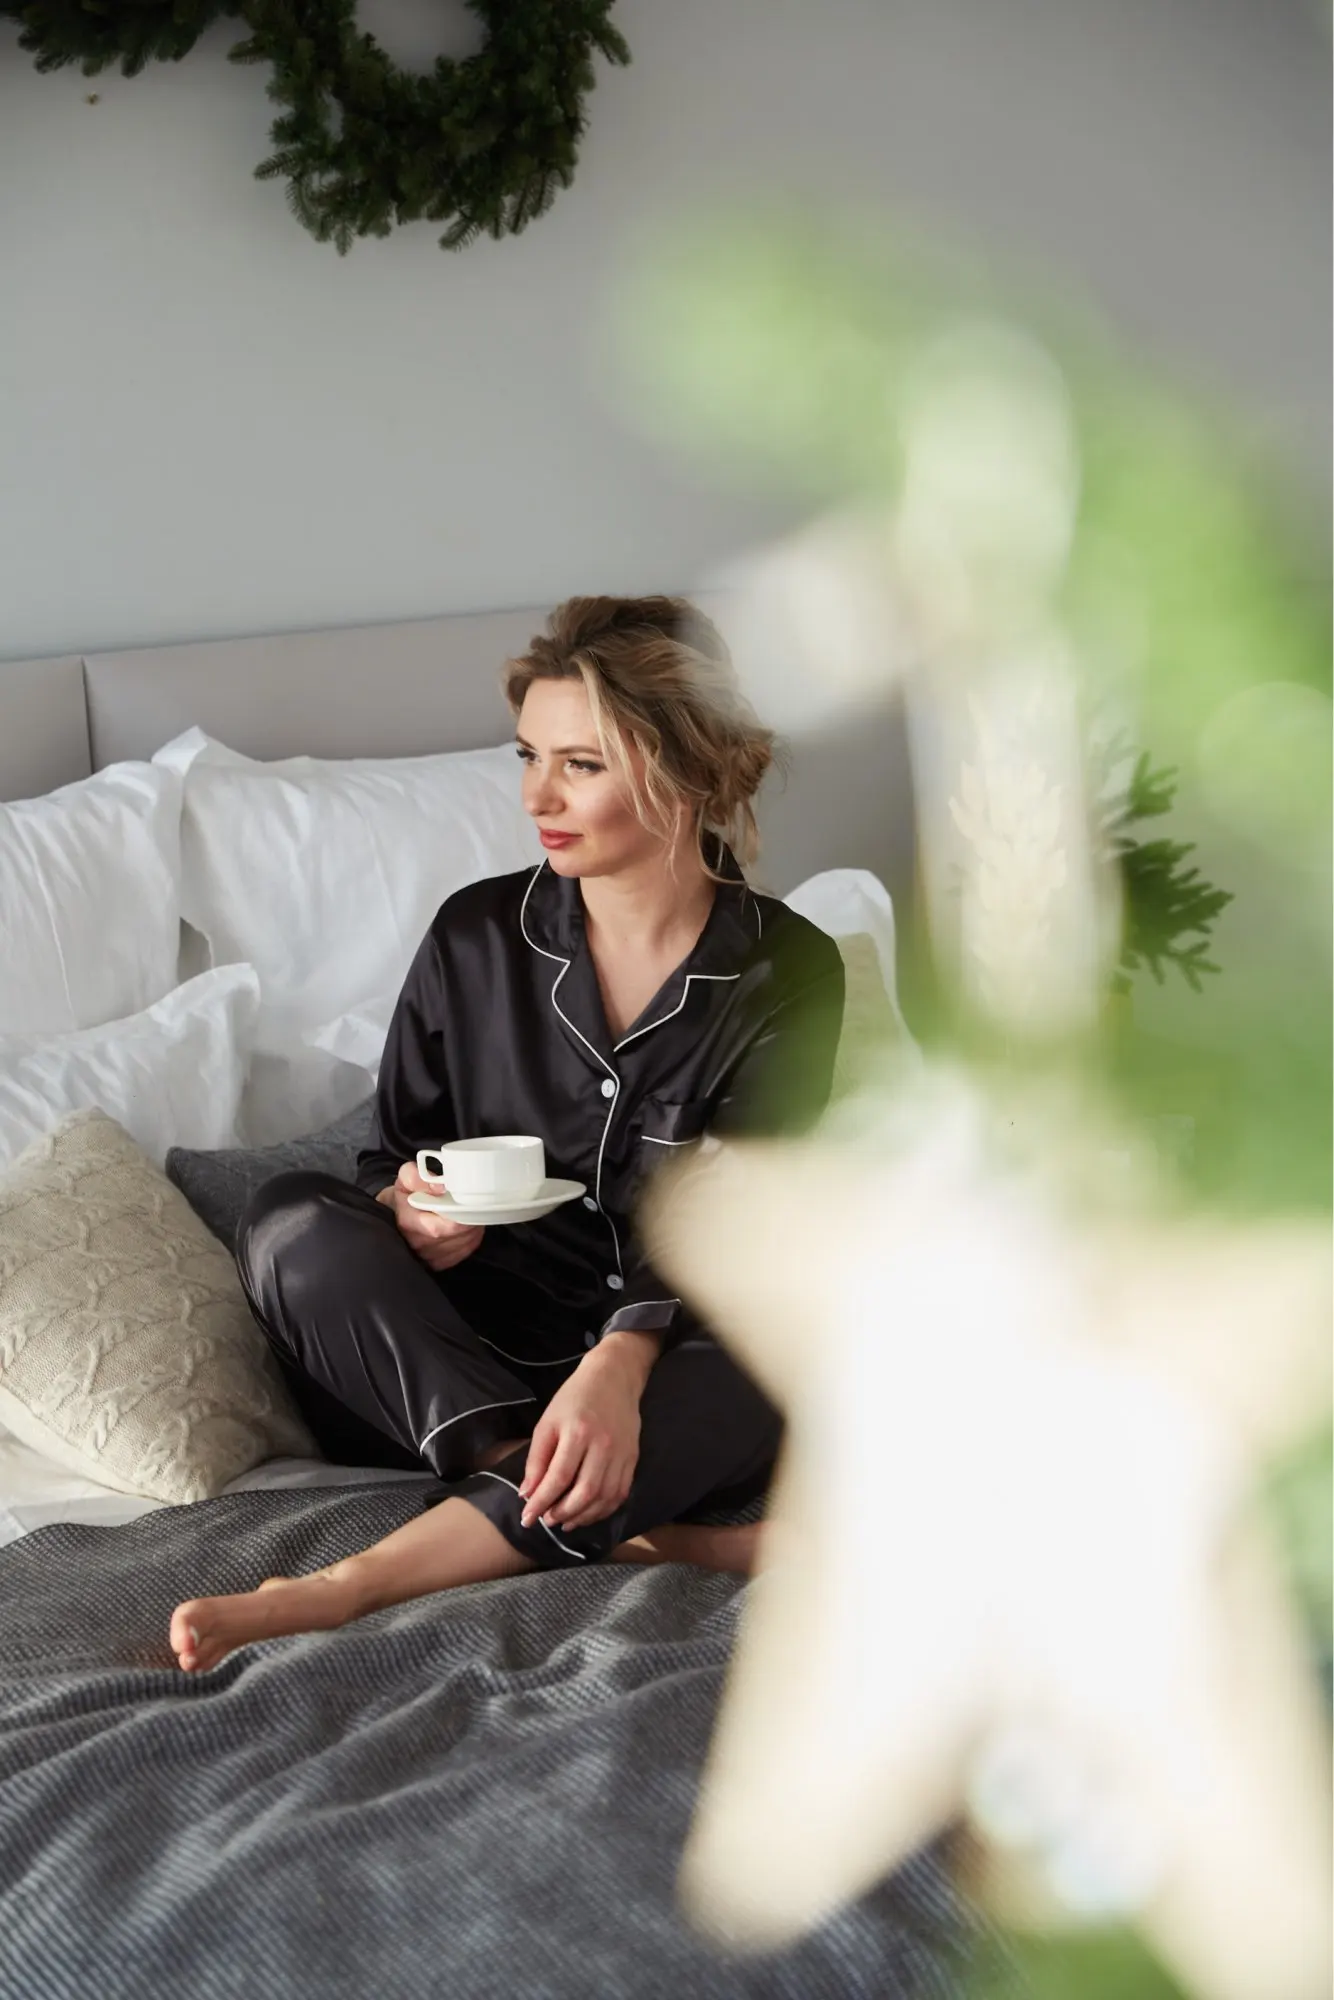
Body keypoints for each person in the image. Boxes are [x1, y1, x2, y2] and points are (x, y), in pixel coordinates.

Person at [170, 595, 845, 1673]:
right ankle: (649, 1531)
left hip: (669, 1360)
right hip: (452, 1366)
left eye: (580, 764)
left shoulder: (788, 968)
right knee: (291, 1220)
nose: (536, 796)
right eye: (529, 755)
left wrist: (620, 1359)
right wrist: (414, 1209)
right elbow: (394, 1154)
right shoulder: (474, 934)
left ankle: (345, 1586)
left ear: (683, 768)